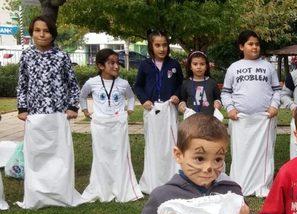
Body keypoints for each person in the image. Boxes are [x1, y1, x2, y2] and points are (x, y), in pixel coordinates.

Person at [132, 113, 256, 214]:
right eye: (200, 158)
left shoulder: (231, 191)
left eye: (218, 159)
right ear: (179, 155)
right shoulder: (164, 195)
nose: (208, 167)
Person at [16, 15, 84, 209]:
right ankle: (38, 195)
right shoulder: (27, 56)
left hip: (58, 114)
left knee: (59, 155)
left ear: (52, 34)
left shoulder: (61, 56)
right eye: (37, 30)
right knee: (38, 156)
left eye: (46, 30)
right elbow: (22, 84)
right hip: (35, 115)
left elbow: (72, 84)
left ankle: (60, 193)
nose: (42, 34)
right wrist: (22, 108)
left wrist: (72, 107)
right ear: (31, 33)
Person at [221, 30, 281, 197]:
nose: (255, 47)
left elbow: (277, 90)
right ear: (241, 47)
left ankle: (262, 185)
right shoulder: (234, 67)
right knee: (241, 152)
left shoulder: (268, 67)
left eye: (257, 44)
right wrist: (230, 108)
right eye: (250, 44)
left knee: (264, 154)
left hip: (264, 119)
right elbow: (225, 92)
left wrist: (274, 105)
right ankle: (240, 183)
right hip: (241, 120)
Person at [79, 48, 142, 203]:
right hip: (100, 125)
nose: (116, 66)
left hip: (118, 124)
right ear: (101, 66)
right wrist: (86, 111)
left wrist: (130, 109)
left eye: (117, 63)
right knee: (102, 156)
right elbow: (81, 95)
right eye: (111, 63)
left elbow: (131, 97)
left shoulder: (123, 83)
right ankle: (103, 186)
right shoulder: (92, 82)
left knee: (119, 154)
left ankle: (121, 185)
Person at [134, 29, 184, 194]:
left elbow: (180, 85)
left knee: (171, 143)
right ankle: (154, 178)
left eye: (164, 45)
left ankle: (173, 177)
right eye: (157, 45)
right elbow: (138, 86)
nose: (161, 49)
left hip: (169, 110)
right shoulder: (145, 65)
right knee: (154, 144)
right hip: (152, 110)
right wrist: (144, 100)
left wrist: (177, 95)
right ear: (151, 46)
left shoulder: (174, 65)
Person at [178, 50, 222, 116]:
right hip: (191, 121)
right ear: (190, 67)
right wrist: (182, 105)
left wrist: (218, 103)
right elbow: (182, 99)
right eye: (195, 64)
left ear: (206, 66)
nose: (199, 67)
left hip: (209, 121)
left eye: (202, 64)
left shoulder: (212, 83)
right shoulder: (185, 83)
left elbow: (218, 98)